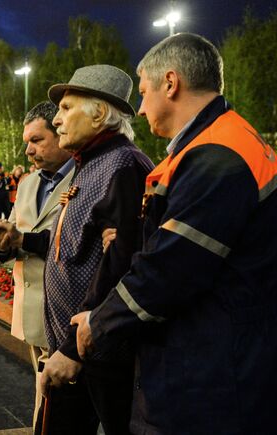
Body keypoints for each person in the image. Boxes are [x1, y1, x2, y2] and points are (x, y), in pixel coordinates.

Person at [71, 33, 277, 435]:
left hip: (211, 382)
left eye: (144, 93)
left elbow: (171, 269)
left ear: (171, 83)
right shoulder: (217, 145)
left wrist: (100, 322)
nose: (142, 107)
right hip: (217, 365)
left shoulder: (218, 157)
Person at [0, 64, 153, 434]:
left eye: (66, 108)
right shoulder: (91, 163)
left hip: (99, 350)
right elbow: (77, 244)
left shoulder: (123, 165)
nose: (57, 120)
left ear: (98, 113)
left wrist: (73, 350)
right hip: (75, 347)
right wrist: (18, 241)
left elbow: (121, 265)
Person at [0, 101, 74, 428]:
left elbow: (76, 241)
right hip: (32, 313)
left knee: (57, 408)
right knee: (43, 398)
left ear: (61, 133)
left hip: (65, 312)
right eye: (27, 142)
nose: (28, 150)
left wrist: (23, 239)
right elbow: (15, 237)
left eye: (37, 140)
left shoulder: (86, 177)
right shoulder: (27, 184)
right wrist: (1, 244)